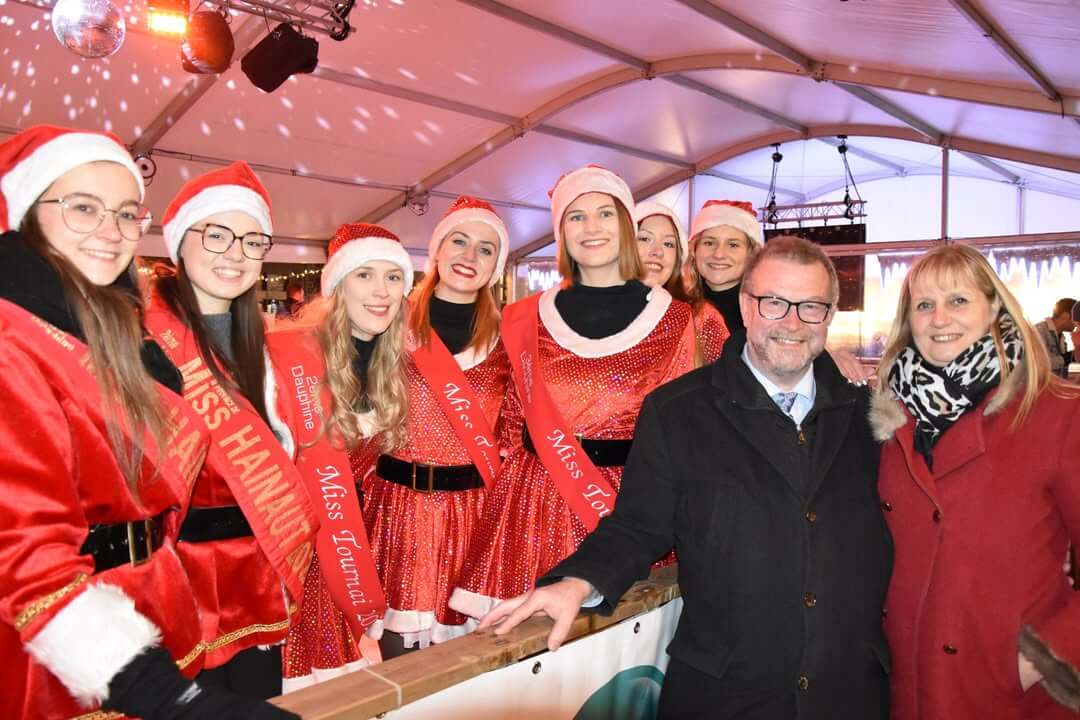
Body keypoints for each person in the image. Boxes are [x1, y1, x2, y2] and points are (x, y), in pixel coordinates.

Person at [481, 235, 893, 720]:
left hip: (845, 694)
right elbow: (638, 525)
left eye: (811, 307)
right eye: (775, 302)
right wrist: (577, 583)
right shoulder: (679, 411)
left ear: (830, 315)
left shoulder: (871, 419)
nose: (791, 323)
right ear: (744, 305)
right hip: (726, 695)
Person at [0, 125, 293, 718]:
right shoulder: (15, 336)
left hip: (155, 610)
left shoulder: (109, 325)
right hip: (73, 646)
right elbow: (24, 545)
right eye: (84, 208)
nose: (110, 231)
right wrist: (170, 697)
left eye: (126, 213)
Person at [450, 165, 726, 620]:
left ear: (625, 225)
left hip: (637, 513)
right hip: (529, 513)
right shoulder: (522, 316)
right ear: (560, 233)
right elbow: (508, 423)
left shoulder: (690, 323)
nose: (591, 227)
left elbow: (708, 438)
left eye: (604, 213)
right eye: (575, 217)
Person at [870, 244, 1080, 720]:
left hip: (1009, 695)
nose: (939, 318)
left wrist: (1043, 659)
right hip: (903, 689)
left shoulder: (1059, 413)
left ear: (995, 309)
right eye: (924, 305)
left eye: (958, 301)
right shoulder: (888, 421)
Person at [144, 162, 318, 698]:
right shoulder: (141, 336)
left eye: (252, 240)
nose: (235, 253)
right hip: (177, 578)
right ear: (178, 243)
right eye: (216, 233)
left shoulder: (272, 347)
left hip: (258, 573)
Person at [362, 196, 511, 656]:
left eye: (485, 249)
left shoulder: (509, 338)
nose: (470, 256)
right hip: (395, 514)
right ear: (437, 250)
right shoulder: (388, 320)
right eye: (460, 241)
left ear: (496, 266)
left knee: (464, 661)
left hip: (471, 516)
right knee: (395, 661)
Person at [271, 222, 413, 690]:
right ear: (336, 286)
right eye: (365, 275)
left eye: (394, 277)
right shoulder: (288, 357)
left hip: (371, 551)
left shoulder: (397, 363)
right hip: (308, 562)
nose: (381, 291)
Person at [635, 200, 729, 363]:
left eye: (668, 244)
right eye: (644, 239)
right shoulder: (590, 312)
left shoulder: (700, 317)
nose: (657, 251)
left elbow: (730, 382)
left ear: (678, 259)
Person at [685, 199, 762, 336]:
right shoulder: (673, 304)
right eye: (709, 243)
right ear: (693, 250)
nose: (719, 254)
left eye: (733, 245)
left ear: (751, 254)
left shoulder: (765, 311)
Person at [1034, 297, 1077, 378]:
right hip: (1038, 388)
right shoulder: (1039, 331)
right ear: (1066, 316)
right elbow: (1038, 364)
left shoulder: (1061, 337)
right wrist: (1068, 357)